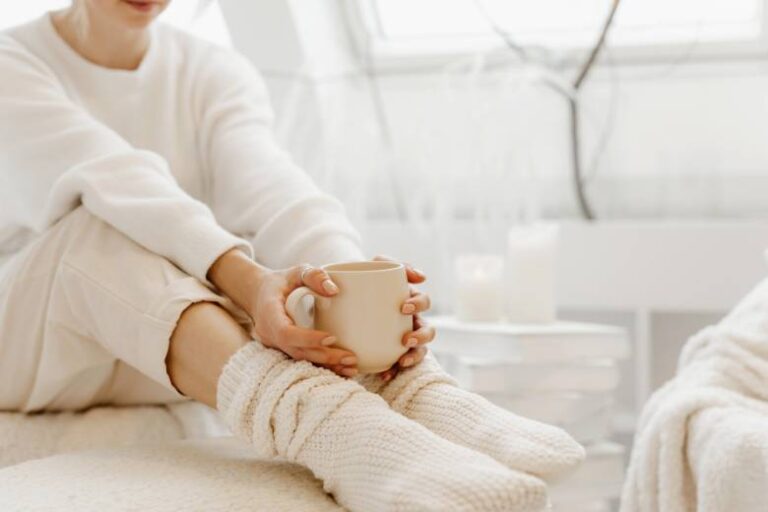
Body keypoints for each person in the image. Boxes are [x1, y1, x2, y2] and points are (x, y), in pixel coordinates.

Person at [0, 1, 584, 510]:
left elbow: (275, 190)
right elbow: (115, 178)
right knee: (99, 230)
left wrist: (364, 295)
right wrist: (250, 281)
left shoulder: (211, 70)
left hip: (157, 338)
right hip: (31, 345)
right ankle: (331, 428)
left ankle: (404, 388)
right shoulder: (11, 59)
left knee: (296, 258)